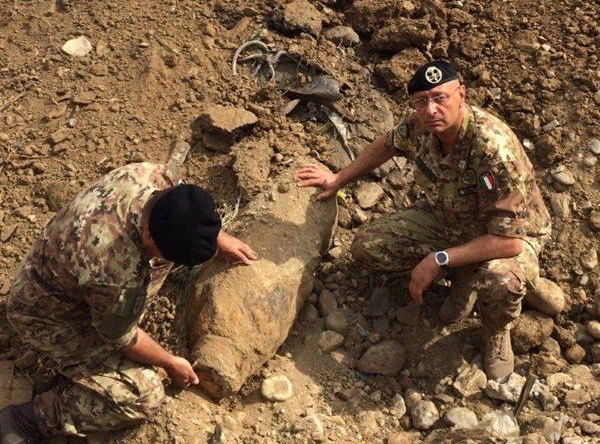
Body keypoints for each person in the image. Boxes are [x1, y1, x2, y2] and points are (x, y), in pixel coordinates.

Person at [298, 61, 551, 381]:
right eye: (421, 101)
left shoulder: (493, 148)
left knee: (501, 282)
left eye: (440, 98)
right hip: (449, 217)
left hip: (509, 236)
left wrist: (439, 257)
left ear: (462, 95)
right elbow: (388, 143)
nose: (431, 109)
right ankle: (463, 272)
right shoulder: (421, 124)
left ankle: (497, 330)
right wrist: (338, 178)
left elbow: (508, 241)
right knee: (368, 246)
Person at [1, 162, 257, 443]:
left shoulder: (150, 176)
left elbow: (182, 201)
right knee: (142, 396)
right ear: (148, 233)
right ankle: (31, 418)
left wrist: (213, 235)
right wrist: (170, 362)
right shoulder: (112, 270)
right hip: (46, 315)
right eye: (165, 254)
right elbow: (122, 337)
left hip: (64, 269)